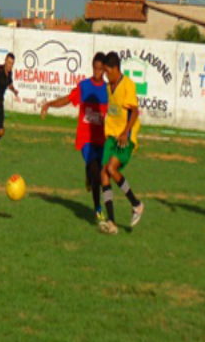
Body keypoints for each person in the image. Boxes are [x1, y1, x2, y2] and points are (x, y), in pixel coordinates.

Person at [41, 52, 109, 221]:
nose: (97, 72)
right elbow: (67, 99)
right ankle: (98, 208)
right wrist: (49, 104)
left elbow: (116, 113)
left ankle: (89, 176)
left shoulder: (108, 90)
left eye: (101, 69)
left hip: (102, 140)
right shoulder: (85, 86)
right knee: (94, 170)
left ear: (105, 71)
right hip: (86, 139)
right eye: (95, 68)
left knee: (99, 175)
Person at [98, 51, 143, 235]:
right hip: (111, 136)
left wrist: (125, 132)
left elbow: (135, 111)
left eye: (108, 71)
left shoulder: (128, 85)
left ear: (116, 69)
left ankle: (136, 204)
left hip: (125, 138)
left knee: (111, 169)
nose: (106, 75)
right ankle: (112, 222)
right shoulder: (110, 87)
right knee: (104, 174)